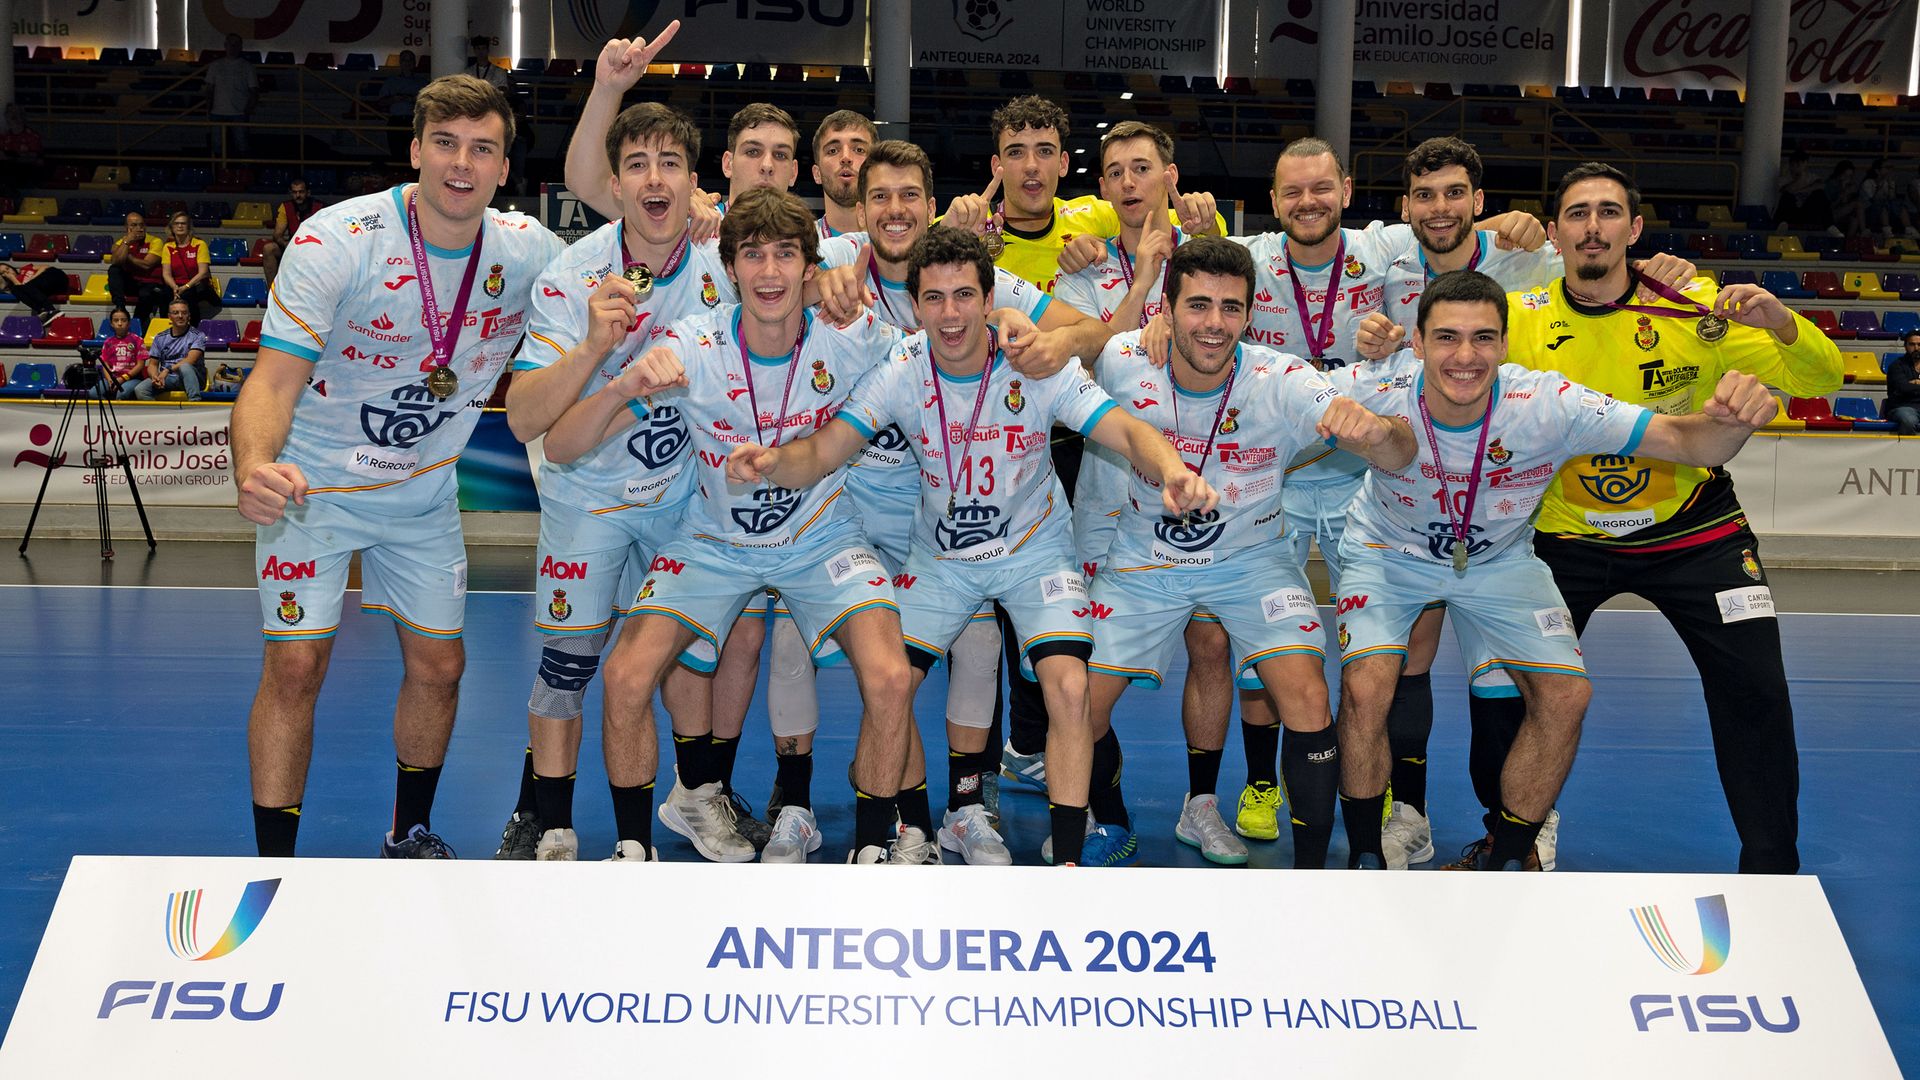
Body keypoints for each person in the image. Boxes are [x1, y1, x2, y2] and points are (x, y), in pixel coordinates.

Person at [725, 226, 1217, 867]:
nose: (950, 314)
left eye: (964, 295)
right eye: (934, 298)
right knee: (889, 683)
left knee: (1068, 686)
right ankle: (888, 840)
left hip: (1036, 554)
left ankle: (1066, 860)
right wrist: (773, 462)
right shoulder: (900, 368)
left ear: (991, 300)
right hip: (941, 561)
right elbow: (823, 451)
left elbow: (1124, 428)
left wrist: (1173, 470)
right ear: (918, 304)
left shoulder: (1032, 363)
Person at [1459, 163, 1841, 874]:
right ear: (1555, 234)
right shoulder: (1524, 318)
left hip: (1694, 530)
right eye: (1576, 214)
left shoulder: (1694, 307)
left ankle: (1771, 867)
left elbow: (1824, 378)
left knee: (1756, 688)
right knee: (1502, 685)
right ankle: (1512, 837)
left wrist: (1783, 323)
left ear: (1633, 229)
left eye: (1609, 213)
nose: (1593, 226)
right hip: (1565, 536)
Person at [1334, 269, 1783, 871]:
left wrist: (1730, 426)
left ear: (1504, 342)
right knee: (1367, 687)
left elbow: (1686, 442)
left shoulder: (1547, 401)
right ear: (1416, 342)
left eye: (1483, 338)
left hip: (1499, 561)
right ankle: (1364, 856)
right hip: (1388, 553)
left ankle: (1507, 860)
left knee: (1568, 695)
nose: (1465, 356)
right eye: (1446, 338)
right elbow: (1257, 393)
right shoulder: (1370, 387)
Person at [232, 74, 562, 859]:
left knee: (442, 667)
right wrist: (254, 464)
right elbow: (272, 380)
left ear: (505, 167)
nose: (462, 164)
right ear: (415, 150)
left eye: (483, 149)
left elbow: (623, 264)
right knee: (297, 667)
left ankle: (408, 830)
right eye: (445, 144)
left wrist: (703, 217)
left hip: (421, 497)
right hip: (311, 491)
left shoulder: (528, 251)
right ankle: (275, 864)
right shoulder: (335, 239)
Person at [539, 188, 916, 864]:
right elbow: (562, 446)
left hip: (820, 538)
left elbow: (943, 365)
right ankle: (633, 850)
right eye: (752, 256)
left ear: (809, 268)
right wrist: (625, 386)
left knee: (889, 677)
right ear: (730, 268)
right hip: (713, 542)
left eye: (785, 255)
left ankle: (871, 851)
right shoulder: (693, 344)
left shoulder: (852, 335)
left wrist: (1015, 336)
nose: (769, 272)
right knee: (626, 675)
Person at [803, 141, 1105, 861]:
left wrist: (1048, 342)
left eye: (911, 196)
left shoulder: (980, 275)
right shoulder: (838, 263)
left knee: (975, 646)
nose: (896, 210)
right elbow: (759, 257)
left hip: (959, 500)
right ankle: (901, 818)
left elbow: (1093, 332)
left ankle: (968, 804)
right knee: (865, 669)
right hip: (861, 496)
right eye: (880, 197)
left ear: (933, 206)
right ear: (860, 208)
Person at [1083, 238, 1416, 868]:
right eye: (1198, 306)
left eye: (1230, 309)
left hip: (1252, 559)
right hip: (1144, 558)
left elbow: (1398, 453)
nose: (1214, 325)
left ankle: (1313, 870)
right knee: (1075, 700)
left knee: (1309, 696)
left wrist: (1377, 434)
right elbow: (1057, 351)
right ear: (1168, 307)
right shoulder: (1124, 359)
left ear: (1249, 311)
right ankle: (1113, 821)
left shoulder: (1282, 377)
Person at [496, 94, 740, 864]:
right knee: (567, 666)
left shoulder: (725, 265)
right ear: (616, 183)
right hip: (589, 501)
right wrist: (599, 347)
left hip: (684, 498)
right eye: (637, 164)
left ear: (694, 181)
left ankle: (682, 811)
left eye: (670, 162)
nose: (654, 177)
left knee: (685, 664)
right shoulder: (575, 274)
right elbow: (525, 420)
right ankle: (551, 822)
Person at [812, 109, 875, 238]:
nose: (846, 157)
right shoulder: (797, 245)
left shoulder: (899, 247)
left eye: (859, 149)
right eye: (833, 150)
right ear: (817, 174)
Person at [133, 299, 208, 401]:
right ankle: (160, 414)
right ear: (169, 317)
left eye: (184, 312)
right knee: (140, 389)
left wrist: (167, 370)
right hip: (168, 378)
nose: (180, 316)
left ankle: (194, 405)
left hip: (193, 378)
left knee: (185, 367)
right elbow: (152, 365)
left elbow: (191, 360)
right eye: (175, 313)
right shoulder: (160, 337)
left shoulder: (198, 335)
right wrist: (155, 377)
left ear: (189, 316)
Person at [108, 211, 169, 323]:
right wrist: (127, 241)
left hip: (150, 283)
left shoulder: (155, 241)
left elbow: (147, 264)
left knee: (145, 294)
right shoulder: (122, 242)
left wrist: (127, 255)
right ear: (127, 228)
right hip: (133, 282)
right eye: (134, 225)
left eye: (141, 225)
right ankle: (120, 307)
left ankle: (136, 322)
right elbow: (116, 261)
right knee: (114, 270)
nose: (139, 228)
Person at [161, 210, 220, 325]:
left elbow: (203, 273)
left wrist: (186, 287)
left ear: (189, 227)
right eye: (176, 223)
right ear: (171, 228)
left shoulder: (199, 244)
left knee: (187, 295)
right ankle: (166, 328)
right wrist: (174, 287)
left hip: (196, 285)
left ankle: (193, 329)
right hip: (177, 285)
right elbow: (166, 274)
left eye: (183, 223)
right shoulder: (168, 247)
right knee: (164, 294)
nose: (180, 226)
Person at [204, 33, 258, 157]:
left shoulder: (247, 67)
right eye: (231, 44)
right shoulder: (216, 65)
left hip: (237, 113)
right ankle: (224, 171)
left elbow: (254, 92)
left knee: (240, 144)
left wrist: (247, 111)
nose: (233, 48)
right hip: (221, 112)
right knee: (220, 145)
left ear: (240, 47)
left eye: (236, 45)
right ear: (225, 46)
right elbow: (209, 90)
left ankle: (238, 172)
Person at [263, 179, 323, 287]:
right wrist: (287, 245)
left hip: (314, 248)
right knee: (269, 249)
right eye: (295, 192)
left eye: (301, 192)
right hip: (292, 246)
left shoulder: (319, 207)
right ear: (291, 193)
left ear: (308, 193)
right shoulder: (285, 207)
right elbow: (277, 234)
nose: (298, 195)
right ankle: (272, 293)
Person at [99, 308, 149, 400]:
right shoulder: (108, 342)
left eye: (123, 320)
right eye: (116, 320)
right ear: (111, 324)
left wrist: (123, 378)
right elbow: (104, 364)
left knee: (122, 394)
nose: (120, 323)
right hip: (113, 378)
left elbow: (140, 365)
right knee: (94, 393)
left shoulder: (137, 340)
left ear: (129, 323)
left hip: (132, 378)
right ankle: (109, 412)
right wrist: (110, 379)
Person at [0, 259, 64, 322]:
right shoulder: (16, 286)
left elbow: (45, 267)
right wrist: (13, 279)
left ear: (11, 267)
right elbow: (21, 288)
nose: (7, 272)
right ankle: (42, 310)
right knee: (16, 290)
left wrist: (32, 279)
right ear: (2, 275)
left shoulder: (24, 269)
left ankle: (50, 309)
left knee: (25, 287)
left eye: (7, 268)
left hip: (53, 277)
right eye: (3, 272)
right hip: (43, 289)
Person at [1885, 330, 1920, 434]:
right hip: (1902, 407)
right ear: (1905, 346)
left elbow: (1908, 387)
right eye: (1912, 344)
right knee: (1909, 420)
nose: (1916, 348)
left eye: (1919, 344)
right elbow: (1903, 388)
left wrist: (1914, 384)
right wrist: (1910, 386)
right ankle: (1909, 450)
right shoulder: (1896, 366)